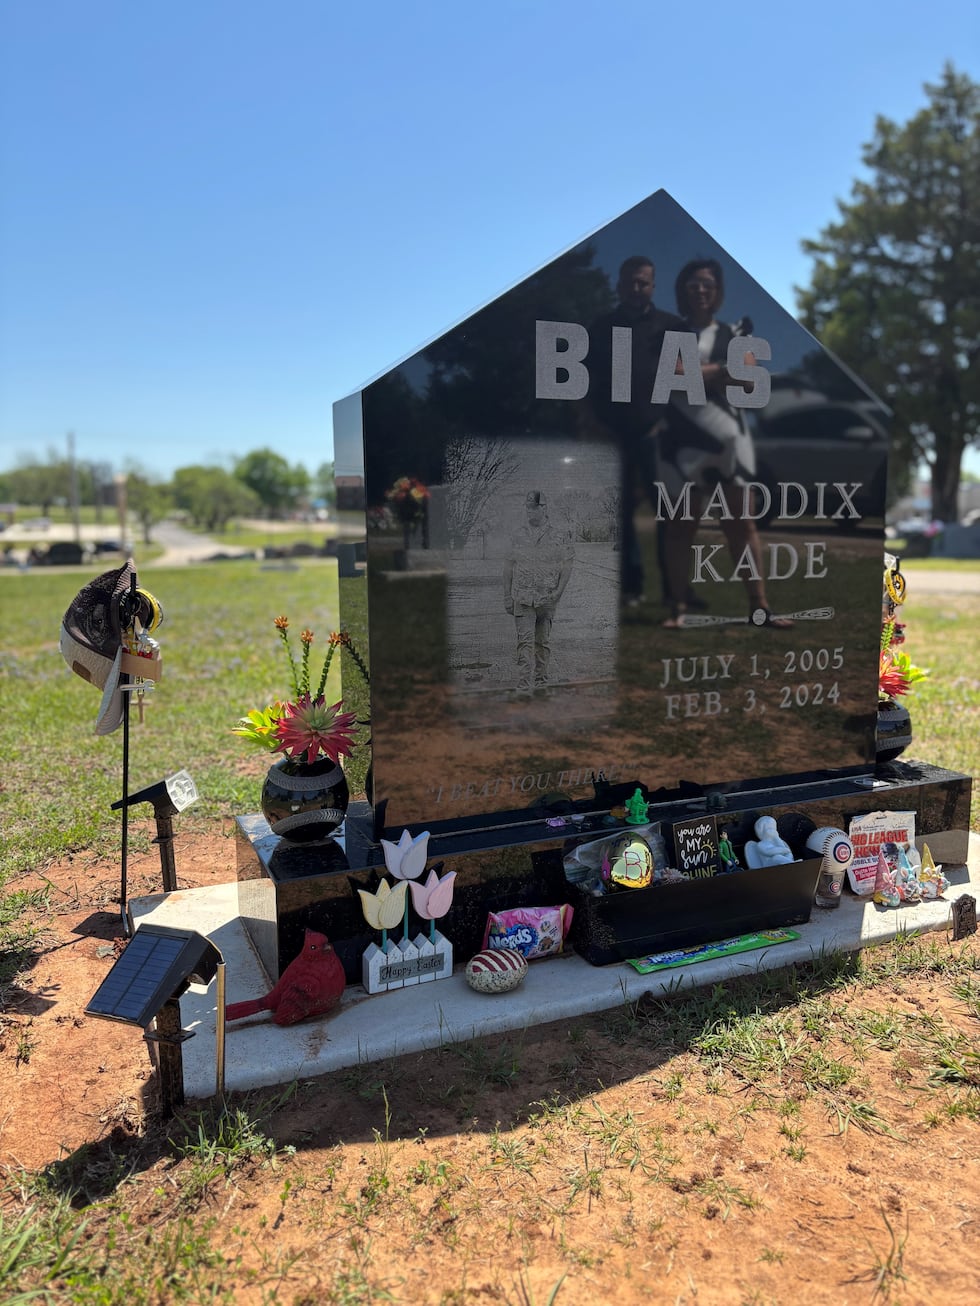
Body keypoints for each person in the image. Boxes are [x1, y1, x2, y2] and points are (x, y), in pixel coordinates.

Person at [659, 258, 790, 629]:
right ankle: (679, 609)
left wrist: (700, 376)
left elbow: (750, 380)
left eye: (708, 285)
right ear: (683, 289)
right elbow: (669, 377)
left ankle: (759, 608)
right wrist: (720, 372)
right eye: (694, 284)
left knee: (741, 526)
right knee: (681, 525)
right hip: (682, 441)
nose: (701, 290)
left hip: (729, 441)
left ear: (717, 292)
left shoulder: (734, 334)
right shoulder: (673, 333)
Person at [587, 257, 686, 607]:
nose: (636, 288)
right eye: (630, 282)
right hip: (613, 436)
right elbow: (586, 385)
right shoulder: (599, 329)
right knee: (620, 512)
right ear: (619, 284)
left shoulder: (672, 328)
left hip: (657, 435)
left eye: (643, 282)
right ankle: (632, 586)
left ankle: (672, 589)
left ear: (653, 286)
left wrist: (667, 424)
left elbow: (688, 388)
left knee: (669, 513)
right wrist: (595, 427)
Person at [503, 491, 573, 698]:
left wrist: (559, 592)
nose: (529, 511)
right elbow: (508, 566)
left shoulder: (559, 535)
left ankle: (541, 683)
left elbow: (567, 564)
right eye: (527, 507)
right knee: (524, 642)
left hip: (547, 599)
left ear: (544, 508)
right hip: (522, 598)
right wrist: (507, 595)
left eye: (534, 507)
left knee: (542, 643)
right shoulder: (516, 534)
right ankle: (523, 686)